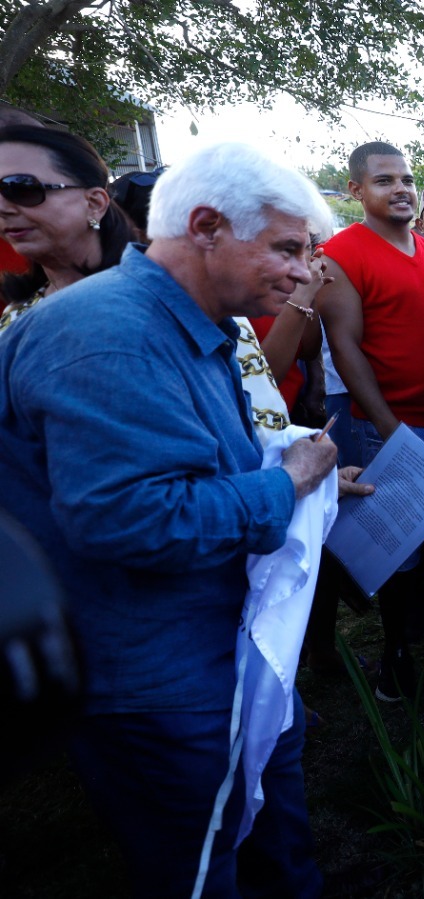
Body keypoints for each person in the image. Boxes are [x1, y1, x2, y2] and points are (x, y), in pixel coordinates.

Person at [0, 141, 338, 896]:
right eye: (285, 247)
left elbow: (193, 467)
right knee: (201, 864)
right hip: (156, 674)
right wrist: (285, 483)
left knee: (273, 840)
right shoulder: (106, 334)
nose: (298, 272)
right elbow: (132, 517)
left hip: (218, 646)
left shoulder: (196, 325)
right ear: (209, 226)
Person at [317, 141, 424, 695]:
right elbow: (345, 349)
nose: (401, 189)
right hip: (387, 428)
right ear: (356, 190)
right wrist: (389, 429)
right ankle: (398, 653)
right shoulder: (340, 254)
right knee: (399, 548)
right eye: (384, 181)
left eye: (407, 179)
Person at [0, 125, 136, 331]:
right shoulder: (18, 309)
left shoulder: (144, 300)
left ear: (94, 204)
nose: (2, 208)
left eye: (21, 187)